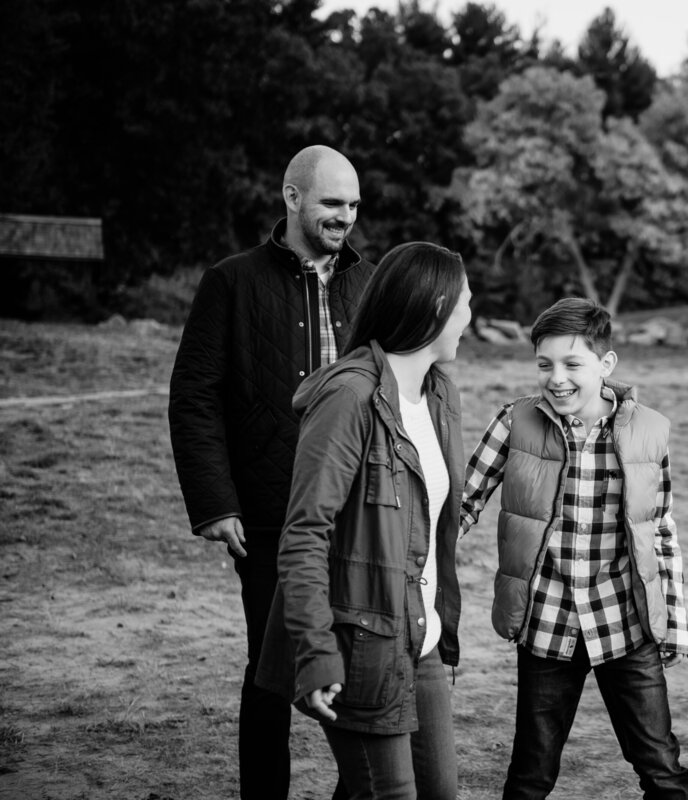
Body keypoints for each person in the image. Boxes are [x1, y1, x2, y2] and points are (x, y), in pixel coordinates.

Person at [168, 145, 375, 800]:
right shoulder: (231, 282)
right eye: (332, 204)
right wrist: (215, 502)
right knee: (271, 671)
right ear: (292, 199)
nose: (346, 217)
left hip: (361, 507)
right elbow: (194, 395)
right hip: (268, 510)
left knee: (366, 662)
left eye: (354, 206)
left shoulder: (370, 283)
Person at [255, 242, 472, 800]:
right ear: (435, 305)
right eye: (466, 303)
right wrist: (316, 652)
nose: (471, 317)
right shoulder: (349, 398)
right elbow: (304, 534)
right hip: (361, 647)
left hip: (419, 639)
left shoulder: (439, 395)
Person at [460, 297, 688, 800]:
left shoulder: (649, 432)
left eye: (572, 364)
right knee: (531, 774)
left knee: (661, 766)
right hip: (547, 624)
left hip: (625, 624)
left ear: (606, 364)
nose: (556, 377)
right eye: (544, 364)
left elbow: (660, 530)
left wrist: (672, 620)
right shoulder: (515, 422)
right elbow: (463, 502)